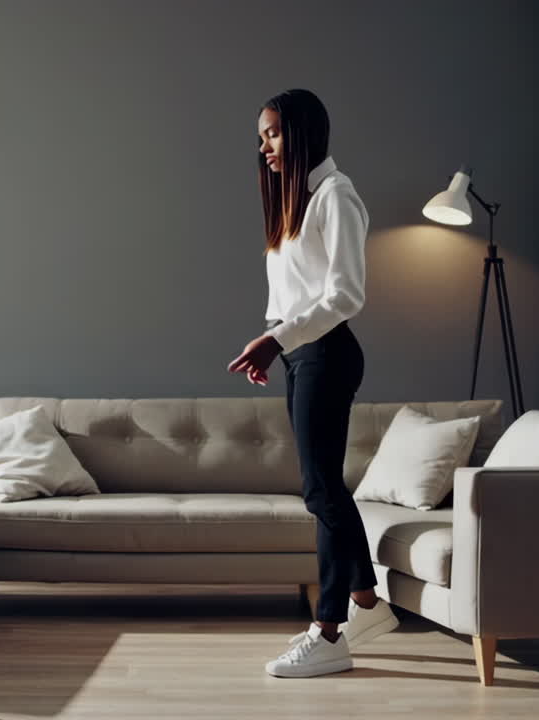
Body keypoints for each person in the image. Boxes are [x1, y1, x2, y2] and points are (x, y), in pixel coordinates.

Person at [227, 89, 398, 678]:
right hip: (304, 354)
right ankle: (367, 605)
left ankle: (330, 630)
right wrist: (276, 344)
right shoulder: (295, 202)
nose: (264, 146)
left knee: (321, 489)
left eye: (272, 133)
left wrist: (278, 340)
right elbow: (297, 296)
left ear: (301, 133)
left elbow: (346, 295)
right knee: (321, 486)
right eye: (261, 136)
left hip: (328, 355)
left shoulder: (336, 197)